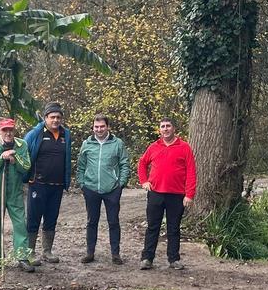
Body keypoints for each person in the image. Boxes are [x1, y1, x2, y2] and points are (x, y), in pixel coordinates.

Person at [137, 117, 196, 270]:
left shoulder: (184, 147)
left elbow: (191, 172)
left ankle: (174, 259)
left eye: (168, 126)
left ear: (173, 128)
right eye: (162, 126)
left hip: (176, 195)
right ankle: (147, 258)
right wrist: (144, 181)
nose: (165, 129)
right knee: (152, 227)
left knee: (174, 228)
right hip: (156, 193)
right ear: (159, 130)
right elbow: (142, 163)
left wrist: (189, 194)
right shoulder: (154, 146)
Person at [0, 118, 35, 272]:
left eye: (10, 129)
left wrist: (14, 158)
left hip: (15, 191)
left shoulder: (21, 145)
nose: (8, 133)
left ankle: (22, 258)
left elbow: (26, 167)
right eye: (5, 130)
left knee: (20, 224)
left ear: (14, 130)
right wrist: (1, 158)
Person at [76, 115, 129, 265]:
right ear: (93, 128)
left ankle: (115, 254)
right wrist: (82, 184)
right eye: (96, 127)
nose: (99, 129)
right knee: (92, 221)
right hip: (91, 188)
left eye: (102, 126)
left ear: (108, 127)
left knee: (113, 221)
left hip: (112, 189)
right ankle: (90, 253)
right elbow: (81, 166)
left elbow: (124, 164)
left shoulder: (117, 143)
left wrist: (121, 183)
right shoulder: (87, 144)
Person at [24, 102, 72, 263]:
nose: (55, 120)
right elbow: (23, 153)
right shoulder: (35, 134)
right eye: (52, 117)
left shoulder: (66, 135)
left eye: (58, 117)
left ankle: (47, 251)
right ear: (45, 118)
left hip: (57, 185)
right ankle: (29, 252)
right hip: (38, 183)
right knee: (33, 218)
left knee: (51, 218)